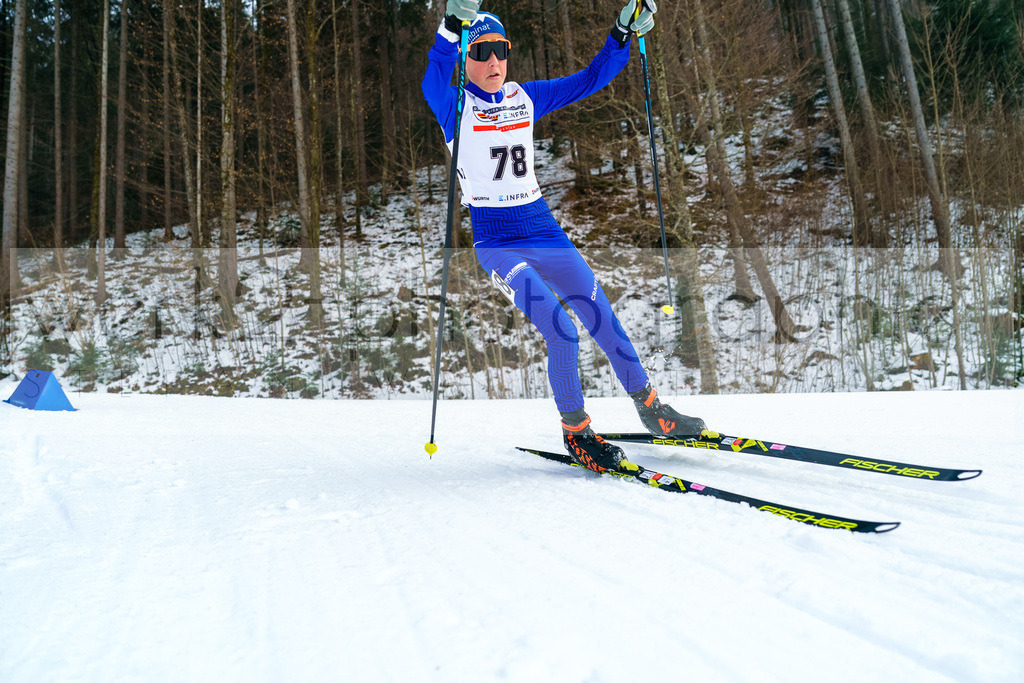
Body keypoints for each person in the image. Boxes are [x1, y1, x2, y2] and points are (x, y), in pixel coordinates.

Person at [422, 0, 709, 474]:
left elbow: (590, 78)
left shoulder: (524, 97)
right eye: (481, 52)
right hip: (497, 240)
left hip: (543, 227)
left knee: (600, 314)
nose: (493, 62)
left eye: (501, 50)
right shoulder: (453, 105)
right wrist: (451, 29)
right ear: (468, 59)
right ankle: (578, 434)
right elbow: (435, 71)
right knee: (560, 328)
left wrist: (621, 33)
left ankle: (653, 409)